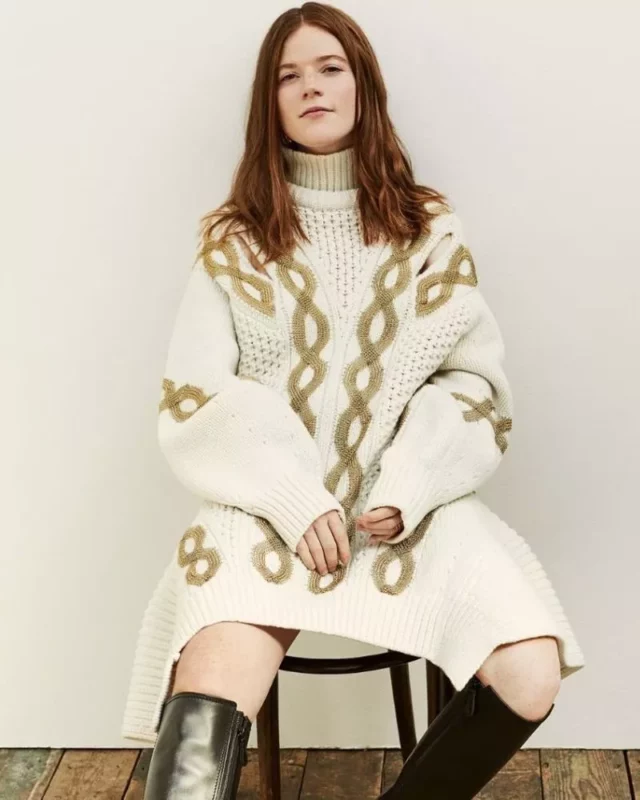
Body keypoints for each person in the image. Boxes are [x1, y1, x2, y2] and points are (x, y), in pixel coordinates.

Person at [121, 3, 585, 798]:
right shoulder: (235, 240)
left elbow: (474, 388)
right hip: (267, 514)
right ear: (269, 104)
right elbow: (195, 398)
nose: (311, 87)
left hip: (409, 512)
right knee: (206, 695)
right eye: (288, 76)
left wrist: (410, 484)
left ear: (363, 86)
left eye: (329, 68)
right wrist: (293, 497)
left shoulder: (429, 230)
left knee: (532, 667)